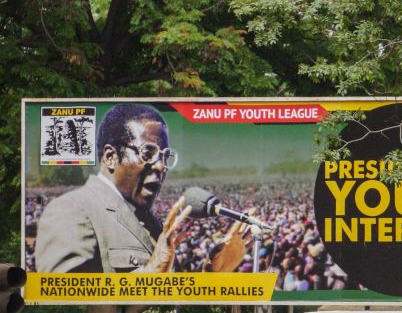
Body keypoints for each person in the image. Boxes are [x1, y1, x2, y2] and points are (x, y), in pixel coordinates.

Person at [34, 103, 246, 274]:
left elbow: (169, 299)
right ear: (110, 157)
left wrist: (212, 275)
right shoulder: (71, 209)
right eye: (148, 152)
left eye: (165, 156)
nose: (161, 166)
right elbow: (62, 297)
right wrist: (152, 273)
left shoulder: (151, 223)